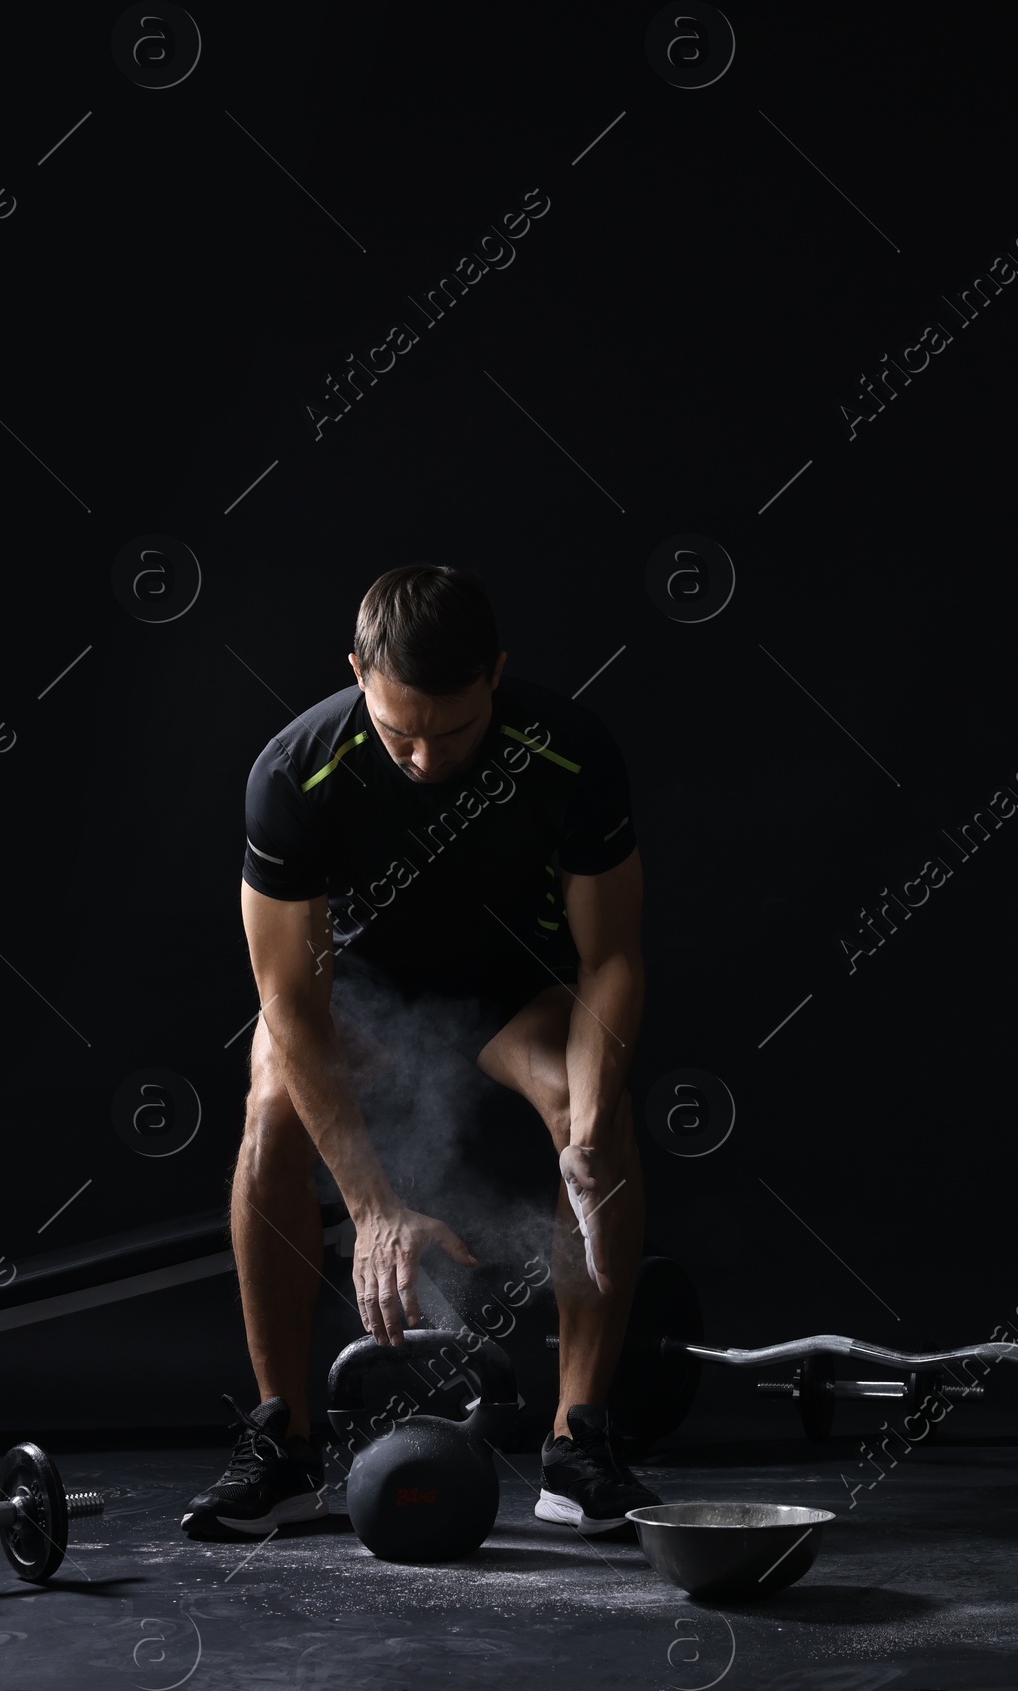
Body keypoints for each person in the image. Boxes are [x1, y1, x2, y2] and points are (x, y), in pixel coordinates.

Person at [182, 564, 661, 1541]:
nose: (424, 757)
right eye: (399, 731)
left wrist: (590, 1126)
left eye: (451, 731)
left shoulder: (569, 751)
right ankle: (283, 1444)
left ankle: (578, 1442)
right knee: (269, 1106)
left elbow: (611, 955)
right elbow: (289, 1001)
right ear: (356, 671)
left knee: (592, 1115)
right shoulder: (292, 771)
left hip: (512, 991)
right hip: (355, 1002)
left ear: (496, 674)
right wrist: (372, 1205)